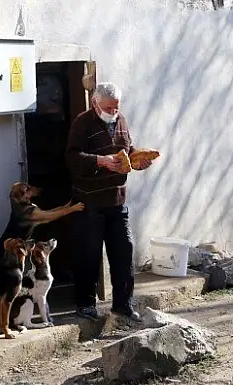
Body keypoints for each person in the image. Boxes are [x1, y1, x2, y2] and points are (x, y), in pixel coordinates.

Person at [65, 82, 152, 322]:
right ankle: (85, 304)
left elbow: (128, 149)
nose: (114, 111)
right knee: (88, 256)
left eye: (116, 107)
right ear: (95, 103)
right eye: (109, 107)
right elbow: (72, 158)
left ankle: (123, 304)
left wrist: (138, 160)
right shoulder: (83, 123)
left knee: (124, 251)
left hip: (117, 200)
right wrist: (99, 161)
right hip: (89, 204)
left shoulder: (121, 120)